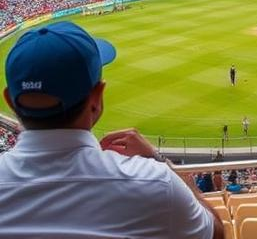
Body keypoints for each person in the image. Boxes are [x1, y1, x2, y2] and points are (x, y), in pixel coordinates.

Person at [0, 21, 222, 238]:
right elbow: (216, 232)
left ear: (10, 101)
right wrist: (160, 161)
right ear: (97, 97)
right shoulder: (155, 182)